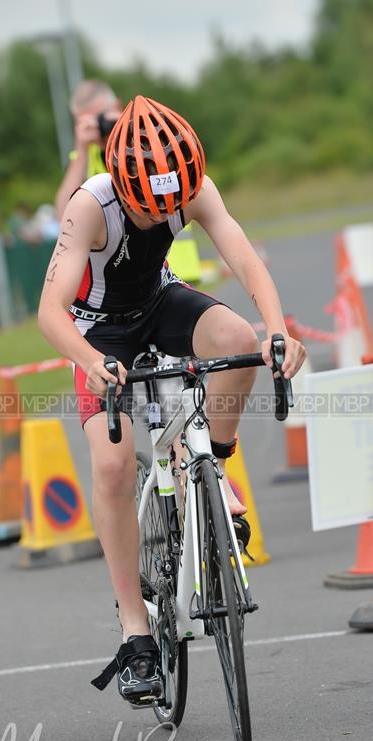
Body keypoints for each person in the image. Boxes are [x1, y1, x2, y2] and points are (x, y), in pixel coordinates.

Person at [38, 96, 305, 706]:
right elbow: (49, 312)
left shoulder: (193, 185)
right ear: (125, 185)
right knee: (110, 463)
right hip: (96, 329)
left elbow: (242, 255)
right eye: (150, 207)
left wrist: (276, 329)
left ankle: (208, 466)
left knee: (237, 340)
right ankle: (135, 632)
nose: (164, 214)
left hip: (158, 303)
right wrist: (89, 363)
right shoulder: (91, 204)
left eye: (172, 205)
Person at [54, 79, 121, 220]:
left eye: (100, 117)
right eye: (86, 122)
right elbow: (63, 214)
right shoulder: (82, 156)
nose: (97, 125)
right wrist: (81, 148)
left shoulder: (141, 137)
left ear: (117, 106)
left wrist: (127, 130)